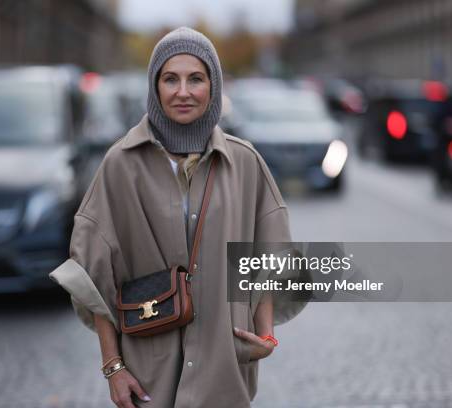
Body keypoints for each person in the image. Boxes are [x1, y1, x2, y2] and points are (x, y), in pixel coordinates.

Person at [50, 27, 305, 408]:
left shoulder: (245, 162)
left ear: (213, 87)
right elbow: (92, 276)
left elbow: (269, 256)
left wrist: (265, 336)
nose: (183, 91)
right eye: (170, 78)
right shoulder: (120, 164)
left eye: (196, 79)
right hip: (147, 374)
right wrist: (113, 368)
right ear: (155, 87)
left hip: (225, 370)